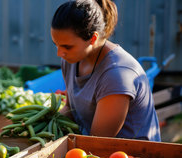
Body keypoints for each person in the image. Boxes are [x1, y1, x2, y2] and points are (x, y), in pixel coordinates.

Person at [51, 0, 161, 141]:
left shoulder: (117, 74)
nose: (60, 53)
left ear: (93, 38)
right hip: (94, 151)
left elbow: (98, 140)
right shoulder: (71, 60)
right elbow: (70, 109)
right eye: (56, 45)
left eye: (67, 47)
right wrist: (45, 122)